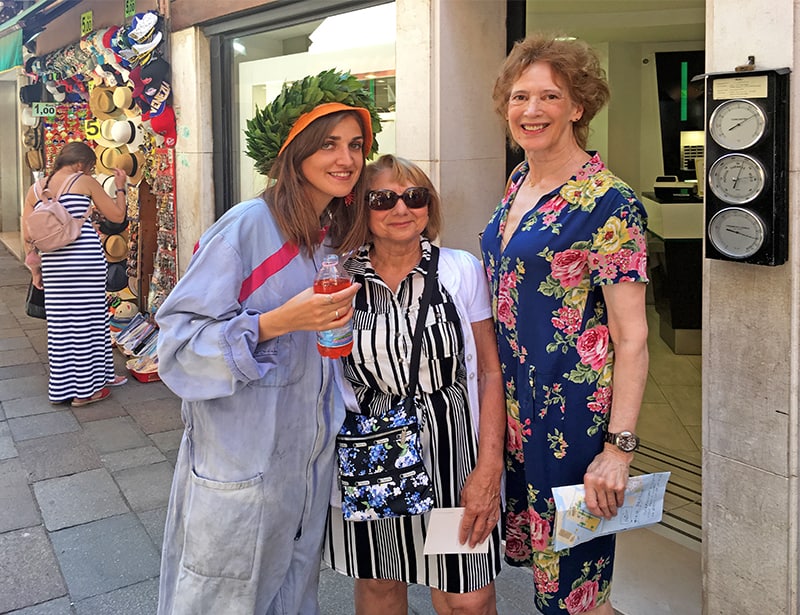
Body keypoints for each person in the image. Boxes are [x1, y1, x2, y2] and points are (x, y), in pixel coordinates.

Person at [154, 71, 381, 614]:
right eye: (328, 144)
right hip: (239, 465)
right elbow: (177, 348)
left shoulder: (334, 232)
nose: (345, 158)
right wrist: (276, 322)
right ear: (294, 152)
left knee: (293, 594)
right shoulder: (247, 228)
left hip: (304, 472)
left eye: (355, 145)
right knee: (221, 599)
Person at [480, 35, 649, 615]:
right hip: (516, 415)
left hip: (572, 425)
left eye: (549, 95)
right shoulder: (518, 185)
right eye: (519, 96)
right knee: (545, 581)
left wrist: (618, 450)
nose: (532, 110)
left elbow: (632, 338)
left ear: (578, 106)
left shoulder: (609, 202)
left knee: (576, 595)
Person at [325, 155, 506, 615]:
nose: (401, 209)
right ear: (360, 210)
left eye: (415, 196)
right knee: (382, 588)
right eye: (383, 199)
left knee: (466, 598)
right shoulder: (338, 278)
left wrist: (489, 467)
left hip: (452, 456)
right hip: (374, 454)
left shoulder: (460, 270)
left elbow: (489, 371)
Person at [22, 141, 129, 407]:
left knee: (63, 325)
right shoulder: (83, 181)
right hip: (84, 261)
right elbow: (117, 215)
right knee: (87, 321)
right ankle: (85, 391)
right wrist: (120, 188)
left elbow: (27, 234)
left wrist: (36, 270)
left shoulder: (36, 190)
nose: (91, 171)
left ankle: (75, 384)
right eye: (91, 166)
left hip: (54, 264)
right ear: (81, 164)